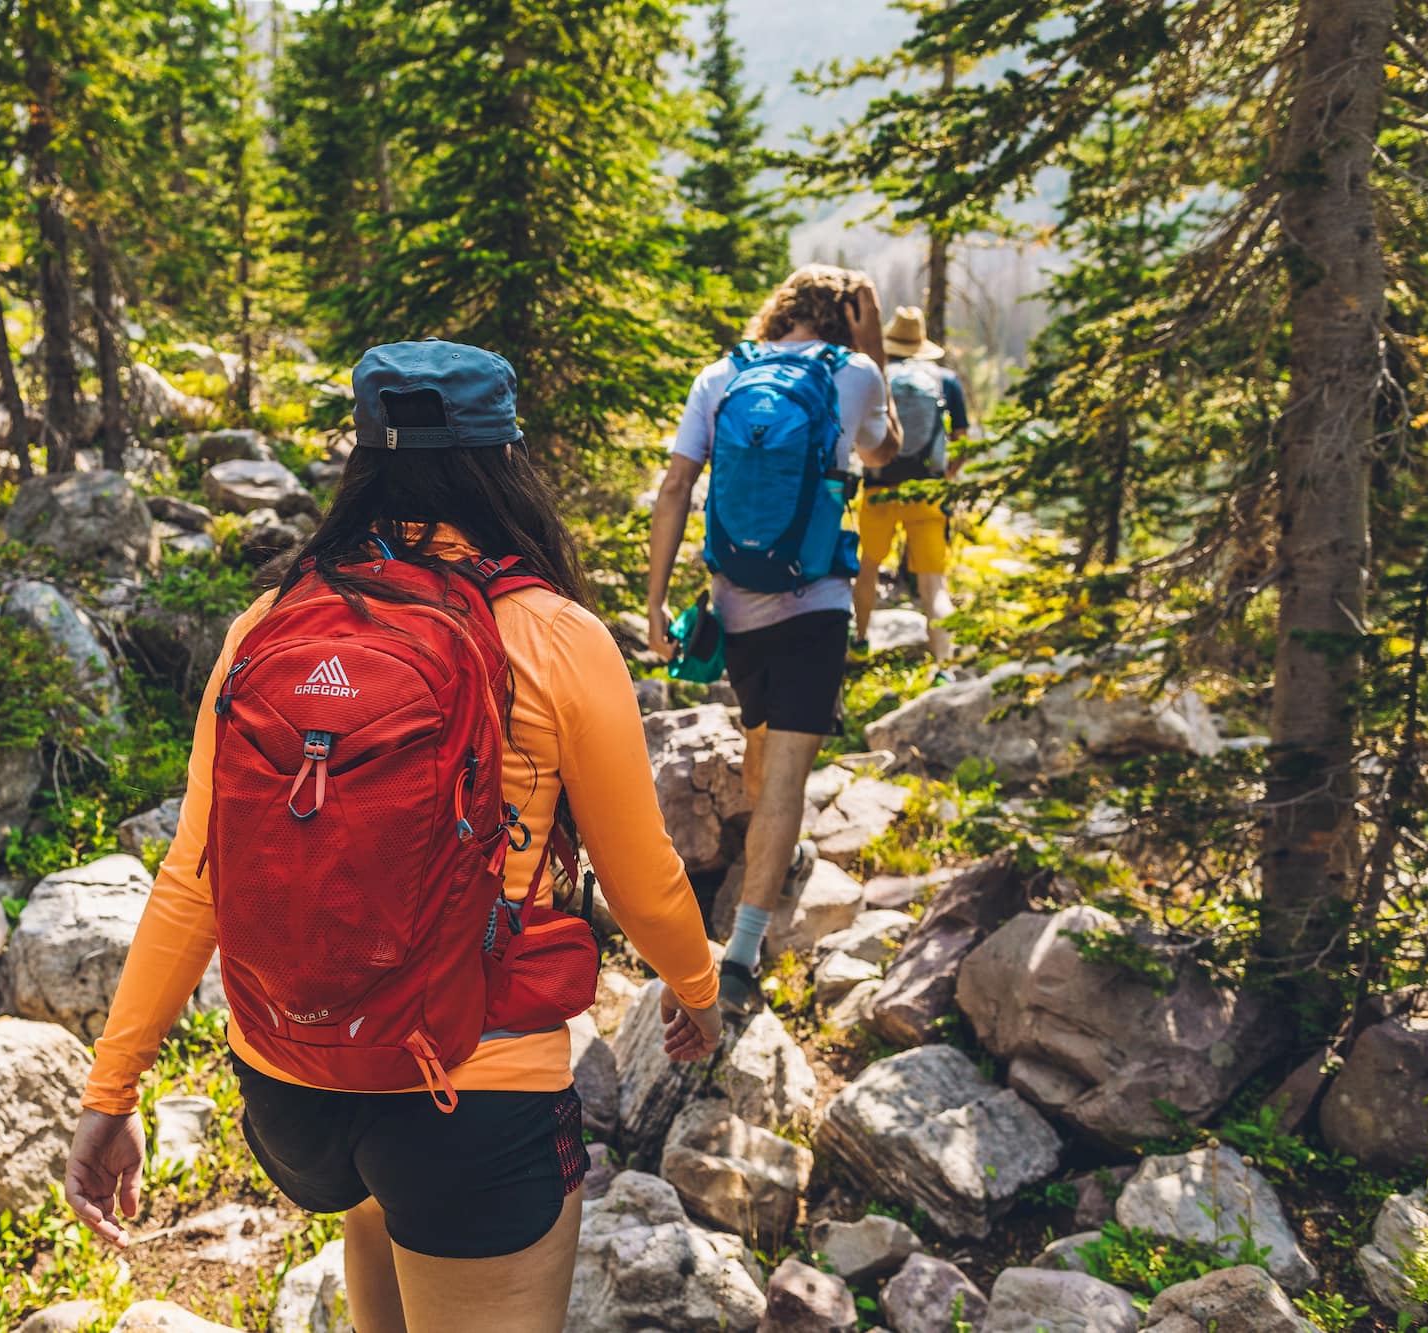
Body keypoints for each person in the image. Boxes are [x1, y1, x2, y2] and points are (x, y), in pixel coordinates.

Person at [67, 340, 722, 1333]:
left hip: (295, 1085)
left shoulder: (269, 623)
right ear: (504, 461)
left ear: (360, 463)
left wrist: (110, 1089)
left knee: (379, 1215)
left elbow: (192, 878)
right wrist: (697, 991)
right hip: (469, 1086)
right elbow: (642, 882)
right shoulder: (550, 634)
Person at [647, 265, 896, 1015]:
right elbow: (886, 452)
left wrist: (656, 604)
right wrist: (874, 339)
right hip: (814, 599)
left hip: (737, 603)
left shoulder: (721, 374)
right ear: (843, 317)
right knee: (782, 769)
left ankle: (750, 923)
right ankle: (743, 953)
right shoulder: (852, 372)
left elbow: (675, 486)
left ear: (778, 311)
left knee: (762, 750)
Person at [851, 306, 972, 670]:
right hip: (928, 492)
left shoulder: (878, 376)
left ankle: (859, 641)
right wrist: (946, 477)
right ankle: (943, 665)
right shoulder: (945, 380)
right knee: (933, 584)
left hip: (879, 489)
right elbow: (962, 439)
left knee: (868, 568)